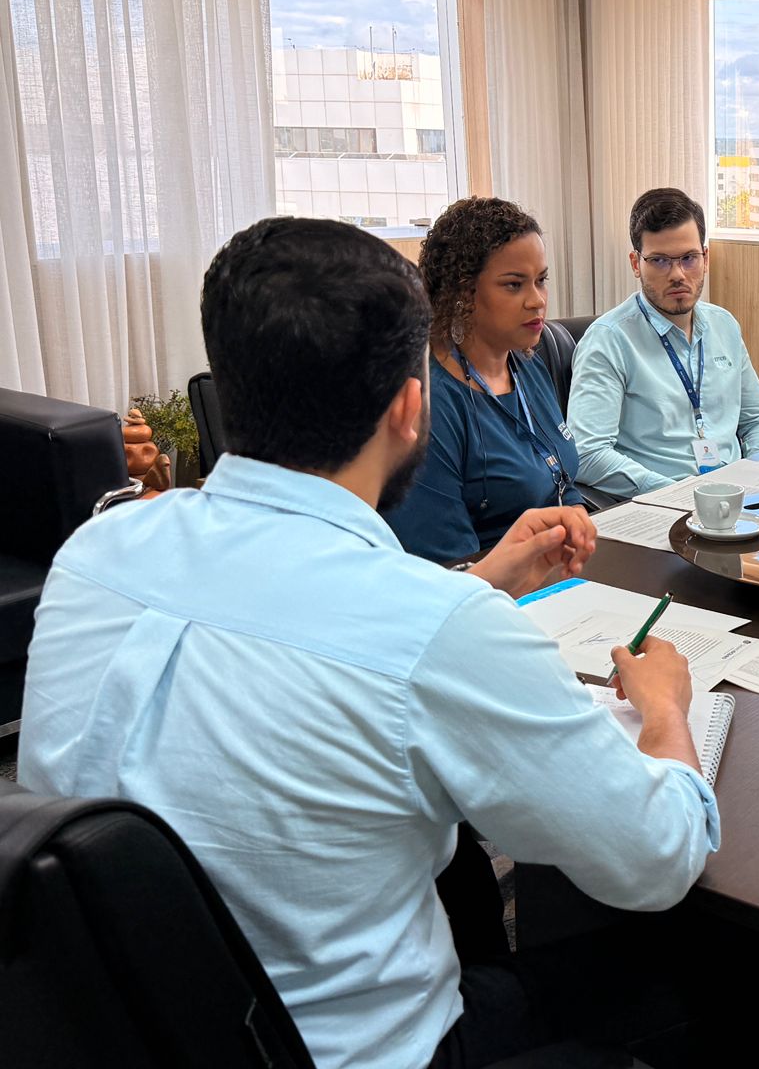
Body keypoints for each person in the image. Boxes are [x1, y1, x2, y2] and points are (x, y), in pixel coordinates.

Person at [19, 217, 721, 1069]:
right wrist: (665, 714)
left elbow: (308, 623)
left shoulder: (94, 555)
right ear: (409, 404)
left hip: (140, 1027)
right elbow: (654, 858)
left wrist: (481, 578)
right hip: (374, 1052)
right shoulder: (435, 629)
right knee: (685, 978)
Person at [382, 196, 583, 562]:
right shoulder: (433, 401)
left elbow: (561, 477)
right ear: (463, 292)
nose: (537, 300)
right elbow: (445, 563)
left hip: (556, 570)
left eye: (541, 281)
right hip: (486, 592)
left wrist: (579, 521)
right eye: (514, 285)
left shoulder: (527, 363)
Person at [568, 188, 759, 498]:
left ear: (705, 259)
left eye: (688, 258)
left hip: (738, 499)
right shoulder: (608, 341)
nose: (678, 274)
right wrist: (676, 494)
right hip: (660, 507)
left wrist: (753, 474)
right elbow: (587, 453)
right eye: (660, 261)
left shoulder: (724, 326)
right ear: (636, 263)